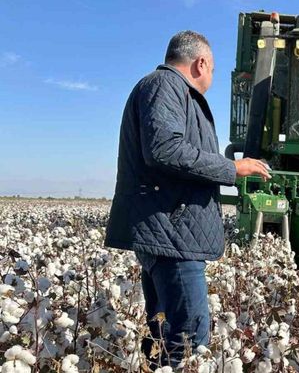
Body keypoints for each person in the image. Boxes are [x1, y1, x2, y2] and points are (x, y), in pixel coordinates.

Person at [104, 30, 270, 367]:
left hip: (170, 231)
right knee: (191, 341)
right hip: (173, 236)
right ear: (201, 63)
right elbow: (164, 150)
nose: (211, 77)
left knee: (164, 335)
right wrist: (231, 168)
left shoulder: (169, 91)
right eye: (212, 69)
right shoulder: (164, 86)